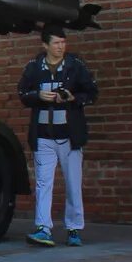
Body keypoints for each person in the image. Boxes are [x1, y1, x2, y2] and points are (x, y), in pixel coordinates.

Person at [18, 27, 99, 247]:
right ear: (45, 45)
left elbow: (92, 92)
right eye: (56, 43)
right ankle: (43, 228)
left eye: (63, 42)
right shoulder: (34, 68)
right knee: (44, 183)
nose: (60, 46)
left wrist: (73, 98)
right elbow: (22, 94)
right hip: (43, 135)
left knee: (73, 183)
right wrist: (38, 95)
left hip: (70, 136)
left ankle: (74, 229)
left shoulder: (75, 66)